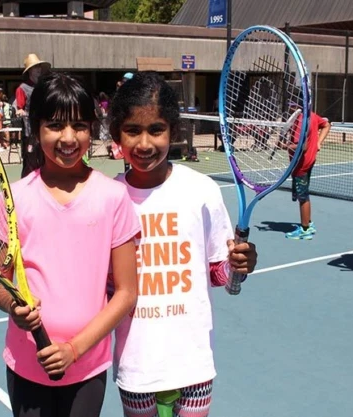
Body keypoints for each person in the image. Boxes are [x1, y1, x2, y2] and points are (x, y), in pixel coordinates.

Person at [0, 71, 140, 417]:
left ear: (92, 129)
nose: (68, 137)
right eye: (55, 125)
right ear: (36, 127)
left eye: (80, 126)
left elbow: (127, 292)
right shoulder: (16, 199)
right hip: (27, 366)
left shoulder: (113, 197)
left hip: (87, 367)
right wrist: (13, 307)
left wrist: (74, 349)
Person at [107, 71, 258, 417]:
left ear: (173, 132)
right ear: (117, 135)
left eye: (156, 129)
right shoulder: (109, 197)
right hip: (138, 363)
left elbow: (220, 275)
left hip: (193, 360)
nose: (144, 143)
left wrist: (241, 265)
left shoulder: (202, 190)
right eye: (132, 130)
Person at [284, 105, 331, 240]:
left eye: (291, 104)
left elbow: (302, 147)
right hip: (310, 160)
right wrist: (318, 143)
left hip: (301, 165)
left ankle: (305, 229)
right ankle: (308, 223)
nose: (289, 106)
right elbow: (327, 125)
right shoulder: (312, 115)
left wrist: (284, 146)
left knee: (302, 196)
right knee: (303, 194)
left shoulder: (300, 121)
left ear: (296, 106)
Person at [14, 54, 51, 176]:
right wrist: (21, 112)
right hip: (29, 131)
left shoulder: (43, 87)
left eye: (39, 66)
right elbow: (19, 109)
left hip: (44, 128)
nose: (39, 69)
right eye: (36, 67)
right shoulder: (22, 88)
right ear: (30, 70)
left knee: (45, 159)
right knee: (30, 161)